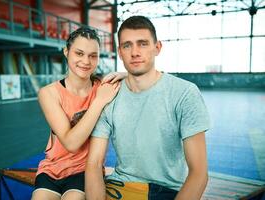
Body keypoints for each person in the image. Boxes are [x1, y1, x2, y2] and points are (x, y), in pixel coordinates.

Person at [85, 15, 211, 200]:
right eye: (127, 45)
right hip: (122, 184)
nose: (135, 52)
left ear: (157, 47)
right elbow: (94, 164)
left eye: (142, 43)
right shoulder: (109, 96)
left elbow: (199, 173)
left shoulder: (185, 93)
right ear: (120, 52)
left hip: (166, 189)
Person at [32, 27, 125, 200]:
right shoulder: (49, 93)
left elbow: (145, 78)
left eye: (93, 55)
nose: (86, 61)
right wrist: (98, 102)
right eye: (79, 53)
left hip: (84, 170)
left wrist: (123, 74)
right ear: (66, 52)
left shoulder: (103, 86)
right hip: (52, 169)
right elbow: (71, 143)